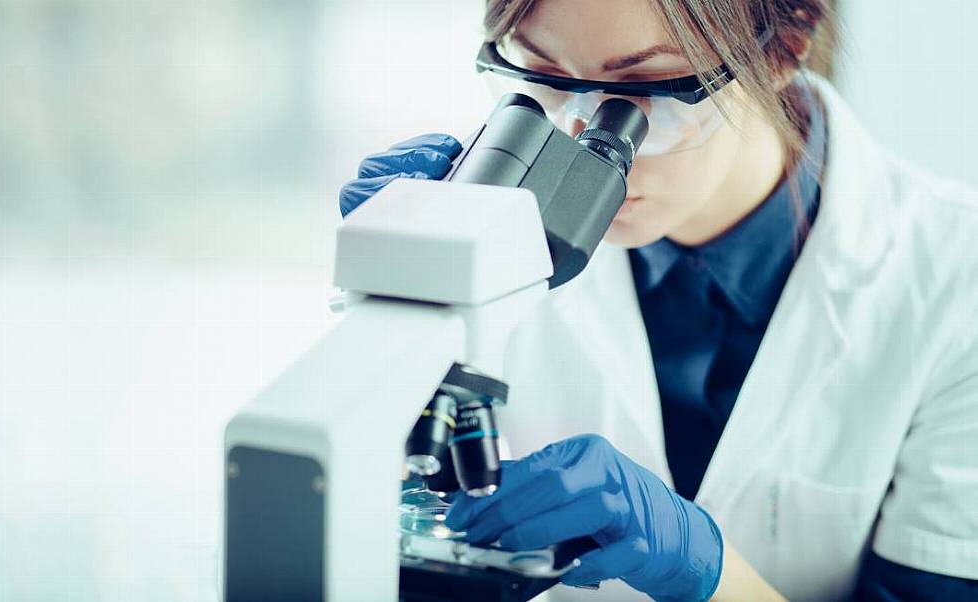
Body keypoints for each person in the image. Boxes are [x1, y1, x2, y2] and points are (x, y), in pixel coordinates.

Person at [339, 0, 978, 599]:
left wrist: (712, 574)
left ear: (784, 47)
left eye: (645, 92)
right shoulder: (484, 221)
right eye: (540, 75)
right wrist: (390, 306)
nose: (581, 134)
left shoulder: (953, 278)